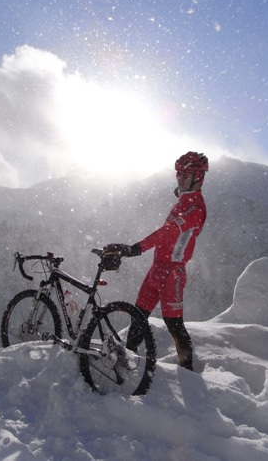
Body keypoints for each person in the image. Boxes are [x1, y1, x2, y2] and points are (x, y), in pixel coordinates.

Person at [104, 151, 208, 371]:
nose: (180, 177)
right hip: (156, 271)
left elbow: (167, 233)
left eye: (186, 174)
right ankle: (125, 365)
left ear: (198, 177)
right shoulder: (183, 202)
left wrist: (135, 248)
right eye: (178, 173)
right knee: (138, 318)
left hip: (172, 274)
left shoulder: (196, 209)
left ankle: (188, 375)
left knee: (175, 326)